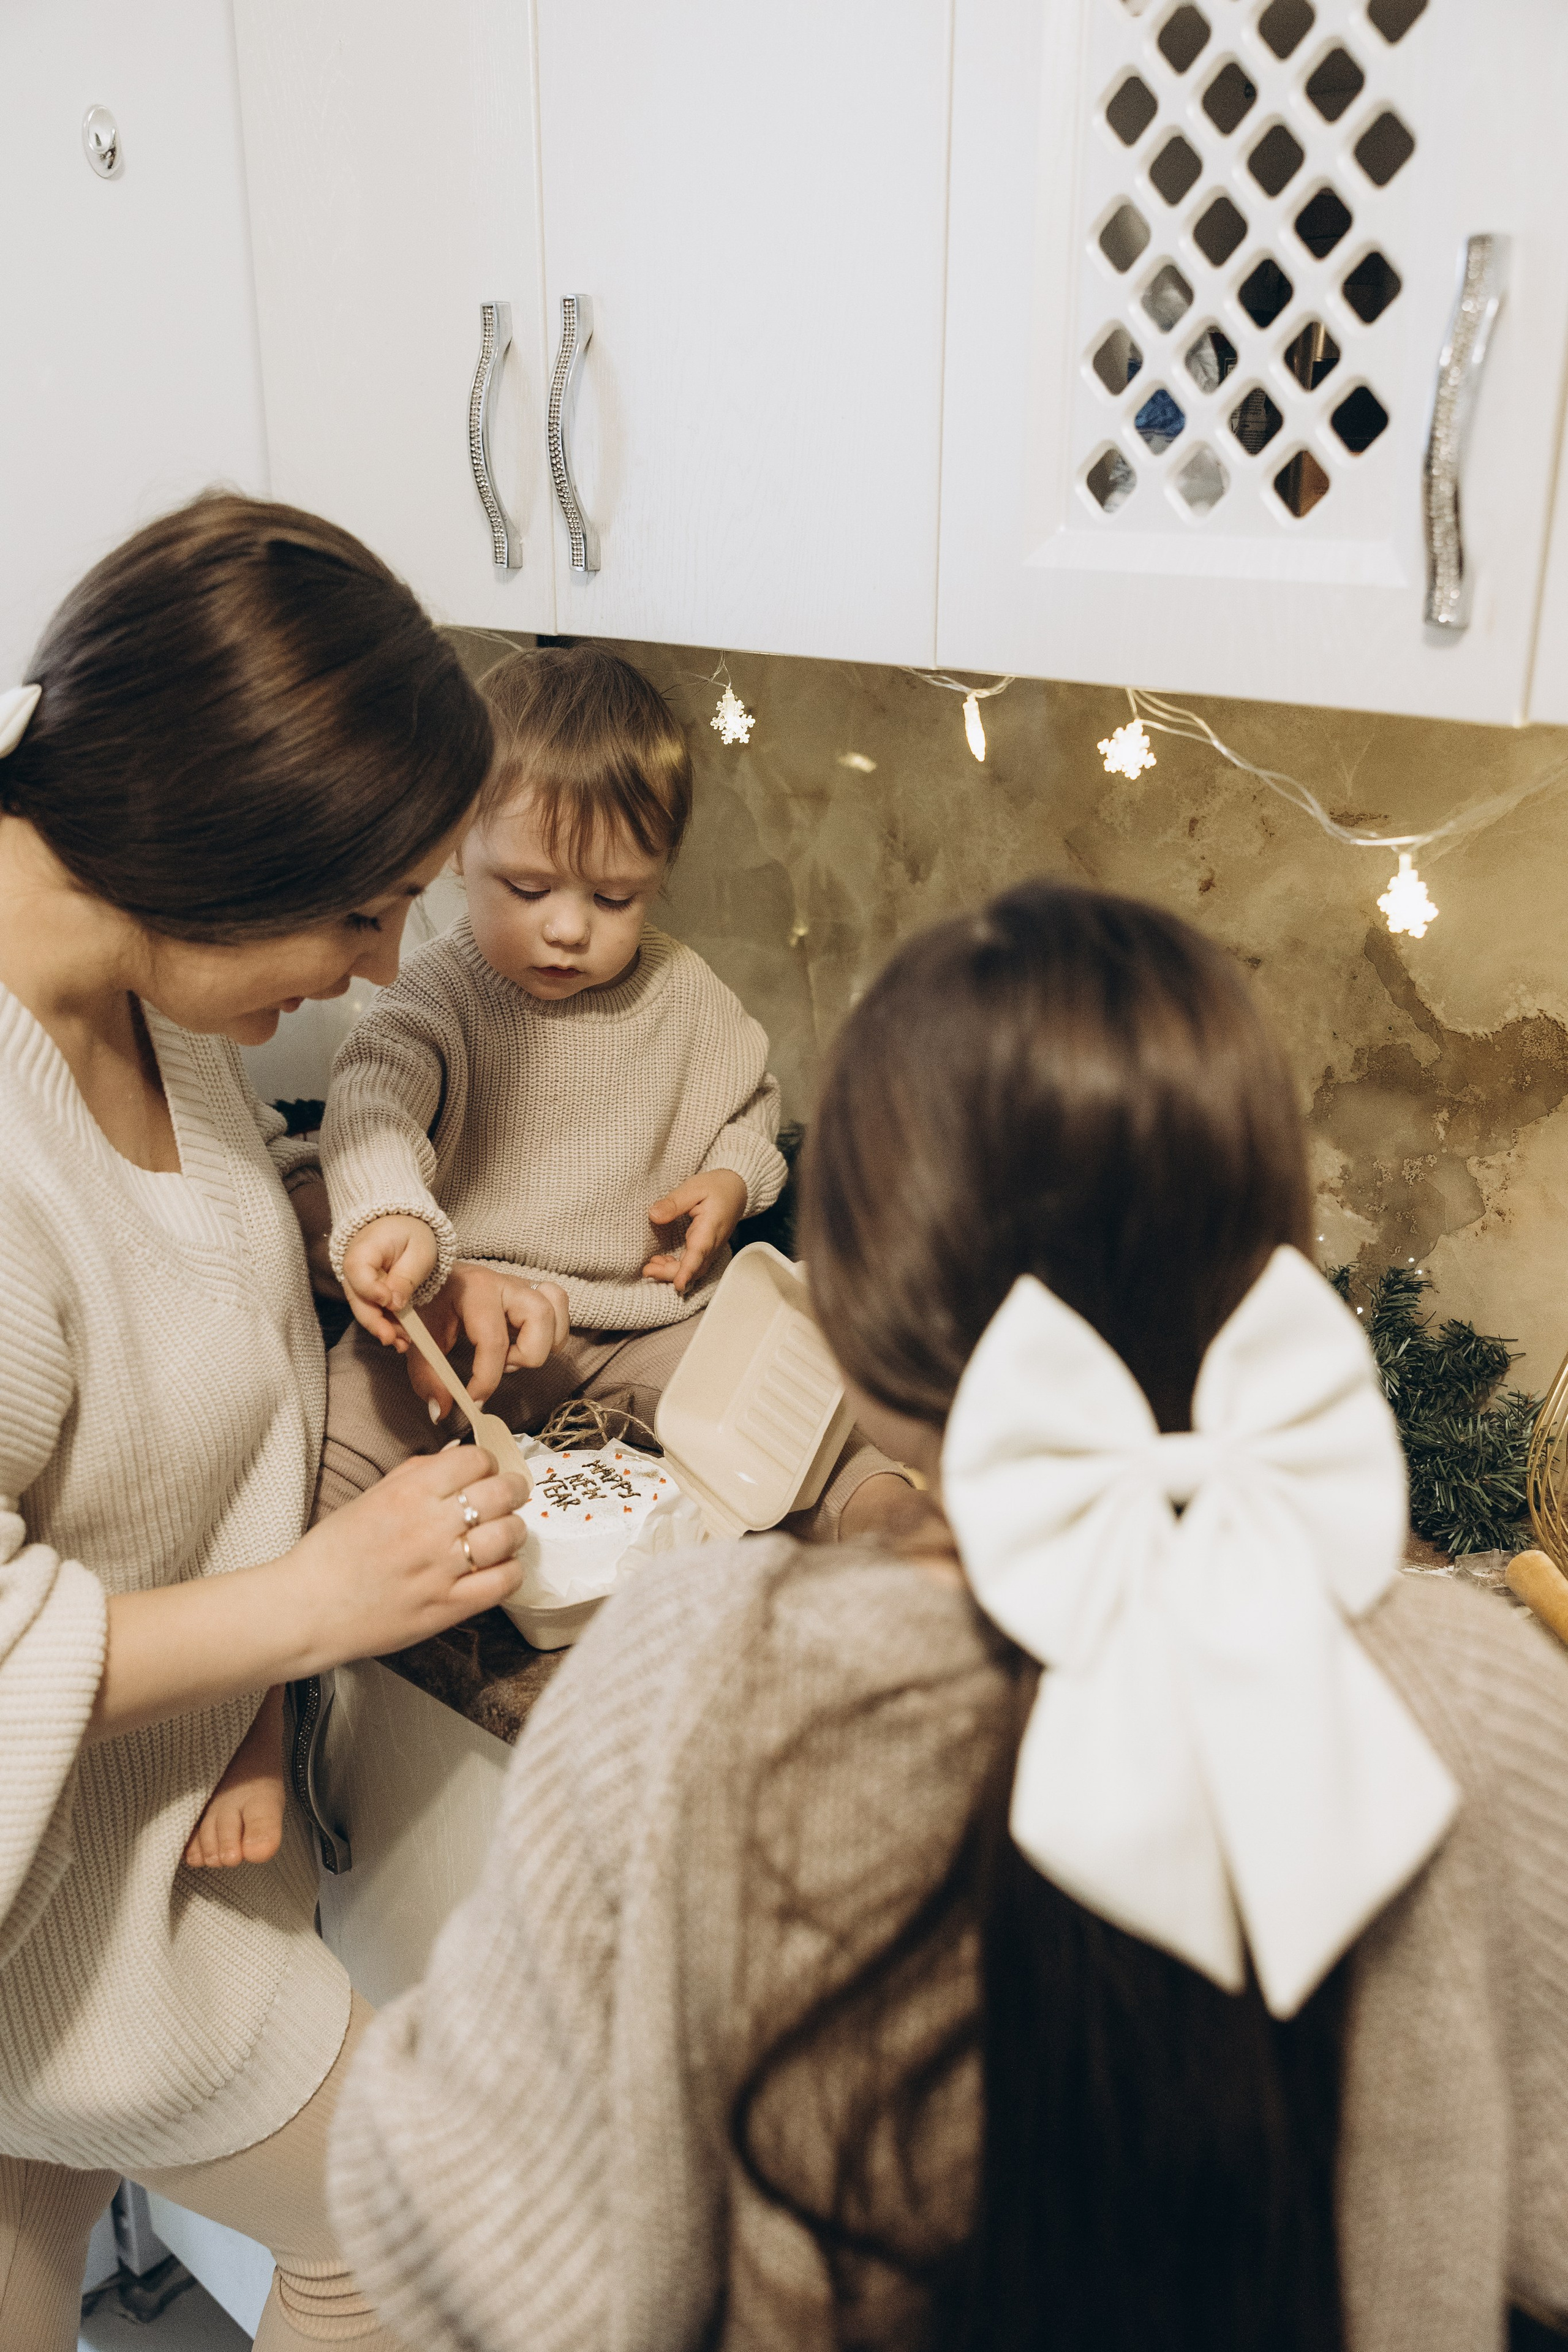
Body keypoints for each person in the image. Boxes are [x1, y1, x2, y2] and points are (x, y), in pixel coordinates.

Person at [326, 880, 1568, 2352]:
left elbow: (447, 2220)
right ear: (1271, 1267)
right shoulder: (1472, 1693)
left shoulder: (681, 1675)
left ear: (848, 1314)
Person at [0, 494, 538, 2351]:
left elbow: (145, 1273)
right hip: (58, 1936)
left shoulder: (144, 1008)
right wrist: (319, 1604)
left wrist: (335, 1234)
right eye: (366, 908)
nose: (388, 968)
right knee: (414, 2232)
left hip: (132, 1843)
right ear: (214, 846)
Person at [312, 641, 910, 1535]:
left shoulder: (686, 991)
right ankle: (305, 1624)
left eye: (615, 898)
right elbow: (370, 1105)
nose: (567, 928)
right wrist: (390, 1211)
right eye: (528, 886)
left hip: (640, 1326)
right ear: (454, 853)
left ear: (660, 876)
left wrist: (731, 1181)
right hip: (458, 1319)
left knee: (787, 1426)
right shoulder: (437, 989)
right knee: (334, 1446)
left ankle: (897, 1529)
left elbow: (751, 1107)